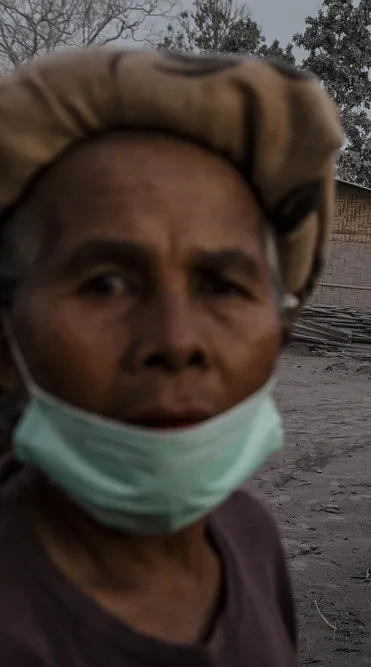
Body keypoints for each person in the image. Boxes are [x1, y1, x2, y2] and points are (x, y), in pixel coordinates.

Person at [0, 49, 343, 665]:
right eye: (105, 284)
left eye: (222, 285)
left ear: (280, 333)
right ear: (6, 345)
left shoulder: (251, 539)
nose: (176, 340)